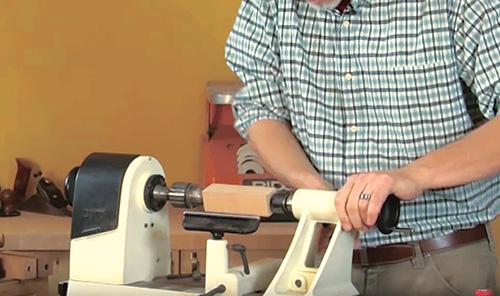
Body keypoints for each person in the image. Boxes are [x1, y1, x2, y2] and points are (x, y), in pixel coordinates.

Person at [225, 0, 500, 295]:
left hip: (440, 262)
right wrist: (312, 188)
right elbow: (260, 107)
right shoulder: (267, 5)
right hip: (324, 262)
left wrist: (414, 176)